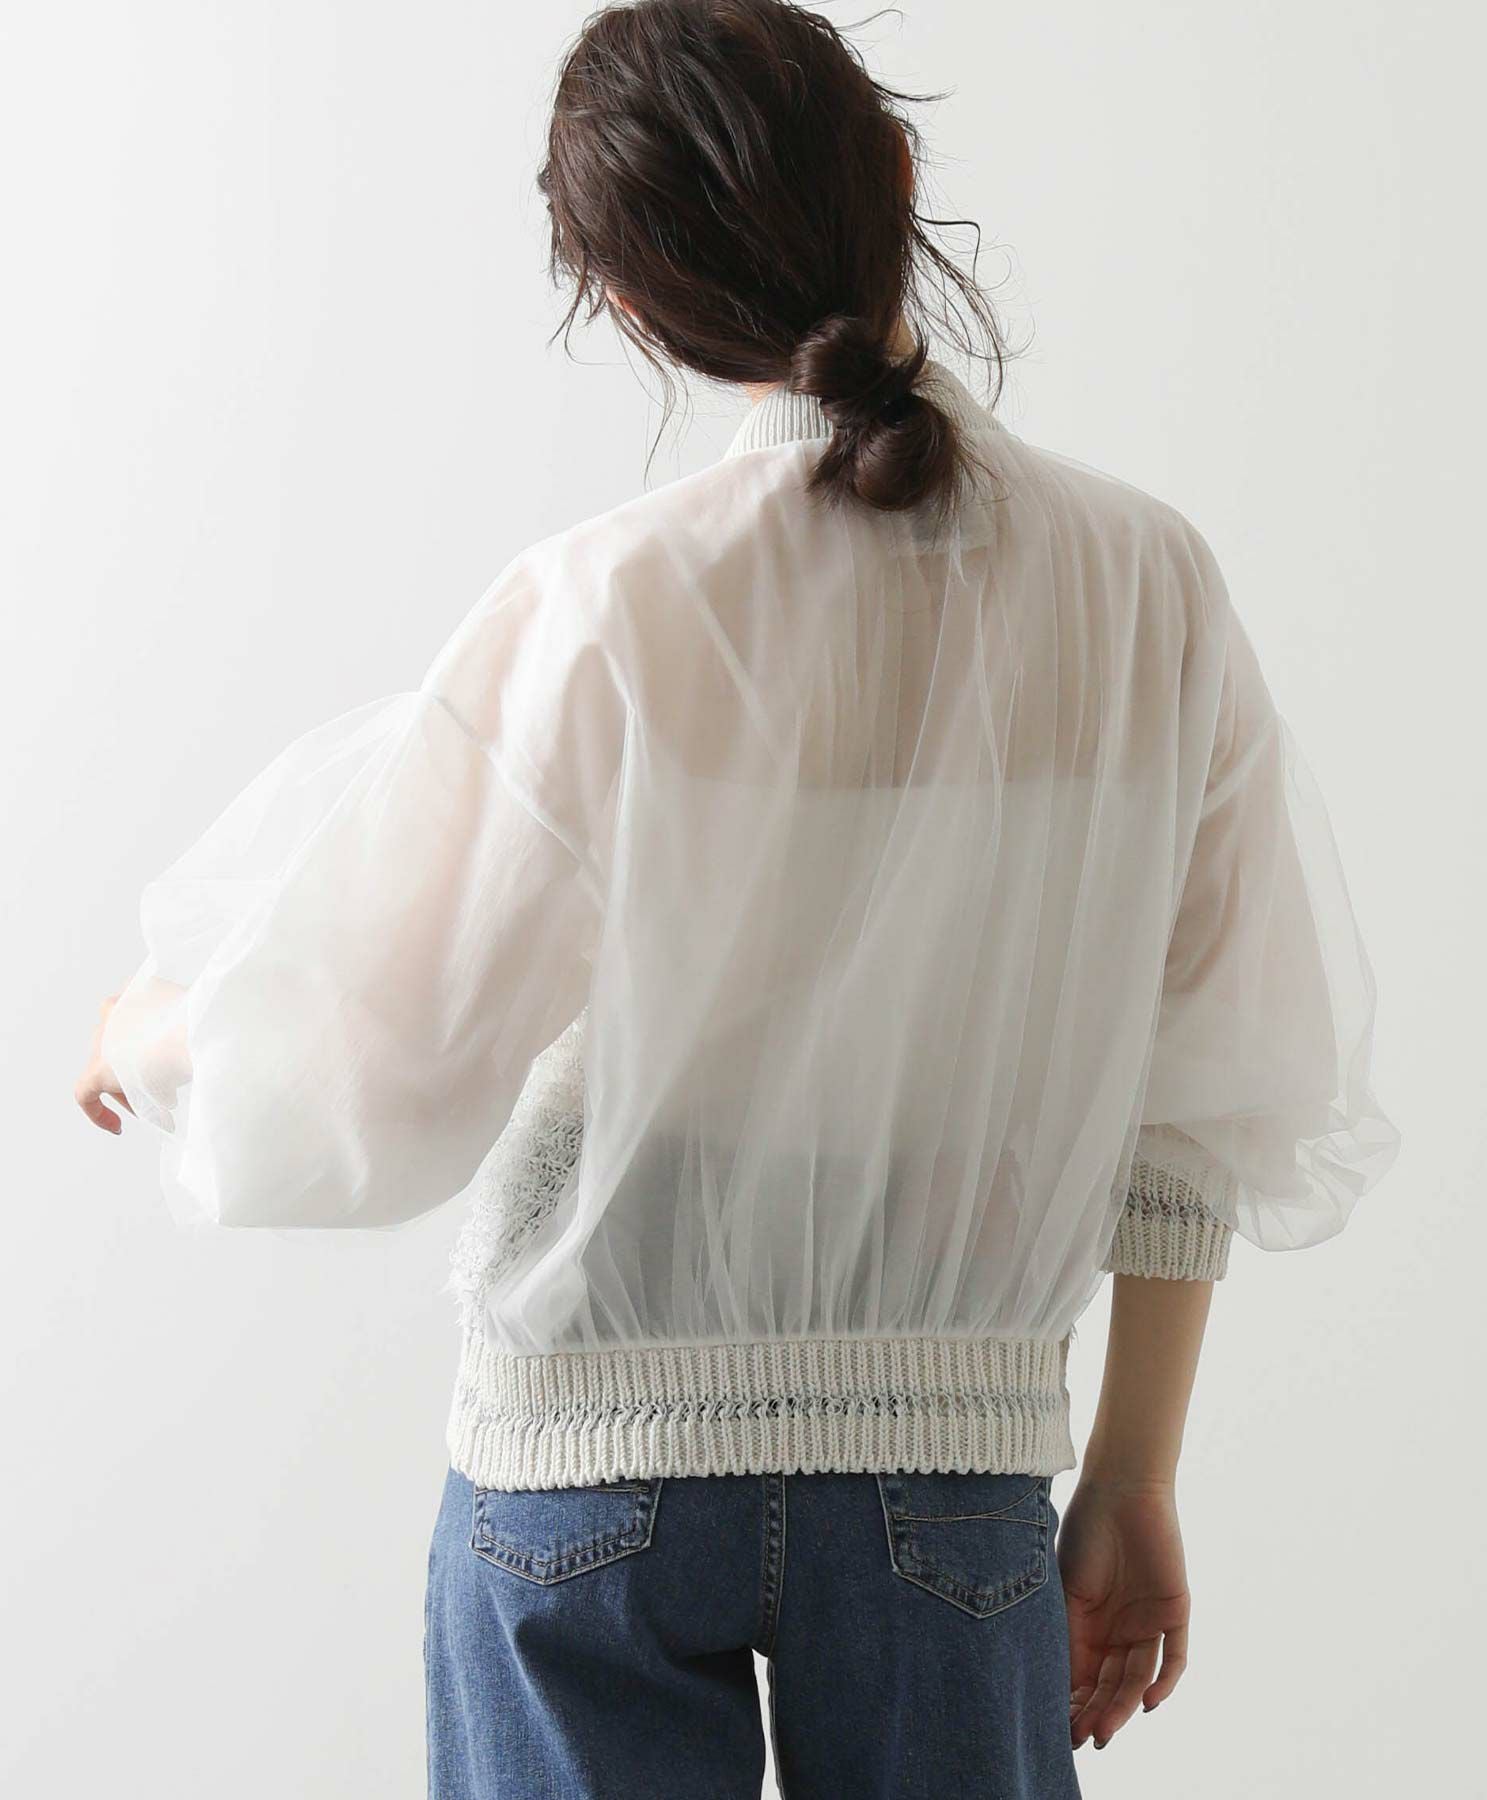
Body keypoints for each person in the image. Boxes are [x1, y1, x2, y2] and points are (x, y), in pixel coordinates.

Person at [74, 2, 1400, 1795]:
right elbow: (1207, 1085)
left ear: (632, 307)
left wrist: (149, 1034)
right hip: (955, 1482)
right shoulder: (1145, 586)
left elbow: (369, 1063)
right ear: (902, 175)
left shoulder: (608, 608)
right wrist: (1133, 1471)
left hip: (582, 1475)